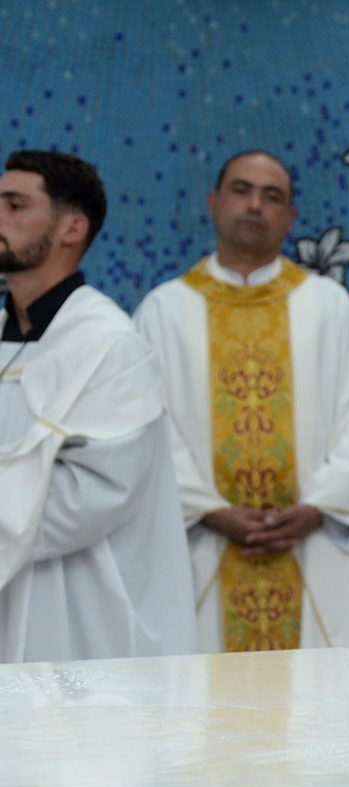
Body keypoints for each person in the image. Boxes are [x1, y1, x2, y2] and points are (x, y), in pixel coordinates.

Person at [135, 149, 349, 653]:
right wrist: (209, 509)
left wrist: (319, 506)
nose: (255, 205)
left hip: (314, 547)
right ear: (214, 202)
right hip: (203, 553)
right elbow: (149, 428)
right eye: (241, 190)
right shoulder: (163, 311)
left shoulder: (330, 308)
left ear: (290, 216)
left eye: (271, 196)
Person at [0, 150, 196, 663]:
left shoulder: (110, 346)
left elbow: (91, 496)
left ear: (72, 228)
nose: (0, 216)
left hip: (70, 614)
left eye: (15, 205)